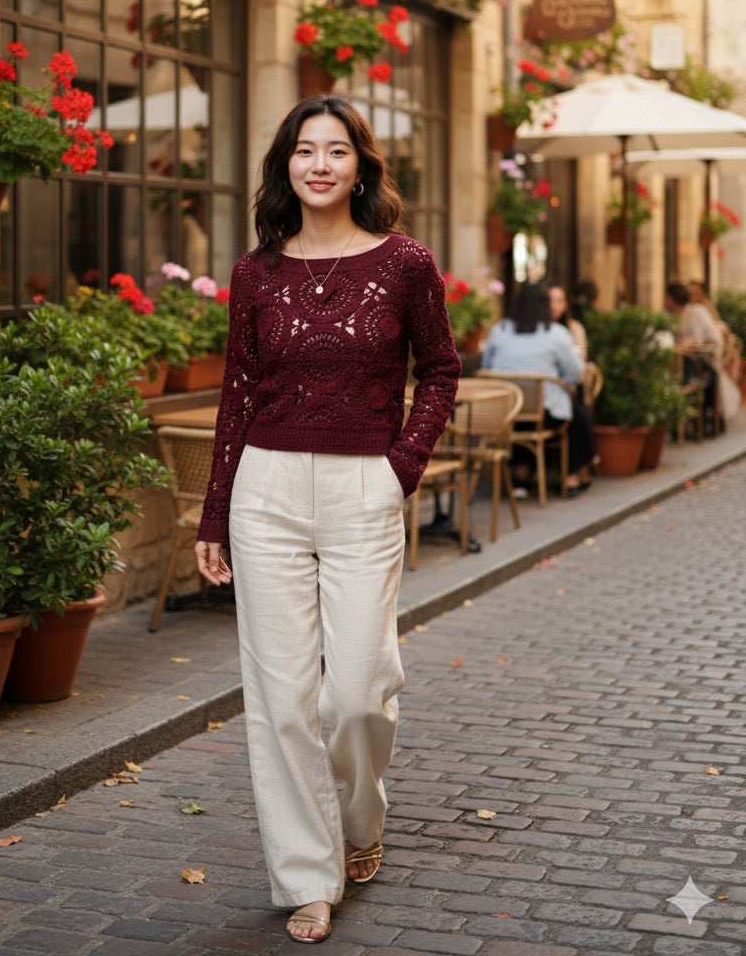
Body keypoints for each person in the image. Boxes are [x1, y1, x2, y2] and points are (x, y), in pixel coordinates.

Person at [195, 96, 461, 945]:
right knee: (280, 699)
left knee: (356, 692)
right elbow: (235, 398)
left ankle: (362, 817)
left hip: (363, 491)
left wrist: (401, 467)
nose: (319, 164)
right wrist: (215, 513)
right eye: (303, 151)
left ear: (360, 166)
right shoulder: (254, 274)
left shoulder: (404, 263)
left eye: (335, 150)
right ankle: (308, 876)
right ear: (285, 167)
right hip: (266, 490)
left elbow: (442, 372)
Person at [481, 282, 587, 496]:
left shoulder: (499, 330)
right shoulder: (556, 333)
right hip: (542, 415)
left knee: (523, 417)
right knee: (571, 406)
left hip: (504, 413)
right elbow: (576, 374)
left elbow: (486, 368)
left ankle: (520, 475)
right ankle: (571, 474)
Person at [549, 284, 598, 491]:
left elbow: (579, 365)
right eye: (551, 300)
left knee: (574, 407)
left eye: (559, 300)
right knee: (574, 411)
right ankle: (584, 462)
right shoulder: (539, 329)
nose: (555, 306)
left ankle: (578, 466)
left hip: (567, 385)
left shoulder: (572, 328)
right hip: (550, 391)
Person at [665, 280, 725, 434]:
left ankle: (690, 394)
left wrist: (694, 344)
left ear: (672, 298)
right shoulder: (669, 317)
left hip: (704, 364)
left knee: (691, 371)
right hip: (678, 362)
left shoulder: (696, 312)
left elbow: (715, 340)